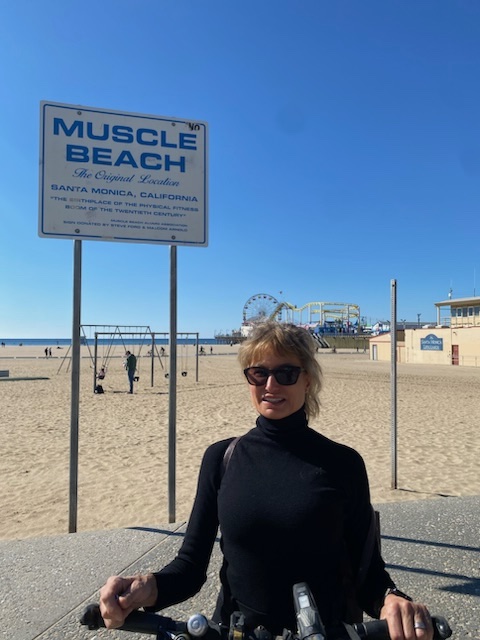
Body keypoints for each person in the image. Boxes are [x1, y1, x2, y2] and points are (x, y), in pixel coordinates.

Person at [100, 322, 433, 639]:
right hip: (235, 630)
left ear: (308, 380)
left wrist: (393, 601)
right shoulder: (221, 459)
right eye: (259, 373)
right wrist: (145, 587)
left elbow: (368, 576)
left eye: (285, 373)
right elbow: (189, 568)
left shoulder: (343, 464)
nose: (270, 386)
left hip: (328, 631)